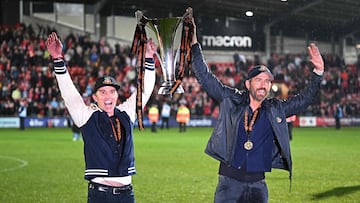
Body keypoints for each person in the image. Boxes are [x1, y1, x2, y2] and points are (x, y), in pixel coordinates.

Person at [189, 12, 324, 203]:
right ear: (247, 84)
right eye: (259, 80)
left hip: (258, 185)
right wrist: (194, 42)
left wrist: (318, 72)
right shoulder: (231, 100)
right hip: (229, 183)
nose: (264, 84)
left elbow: (304, 100)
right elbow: (205, 77)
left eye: (268, 81)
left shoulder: (275, 108)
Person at [46, 32, 157, 203]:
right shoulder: (86, 116)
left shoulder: (126, 113)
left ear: (117, 95)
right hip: (100, 195)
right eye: (103, 92)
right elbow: (69, 94)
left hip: (127, 194)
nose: (108, 95)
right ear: (95, 97)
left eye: (112, 91)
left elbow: (145, 90)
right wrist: (57, 59)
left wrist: (149, 58)